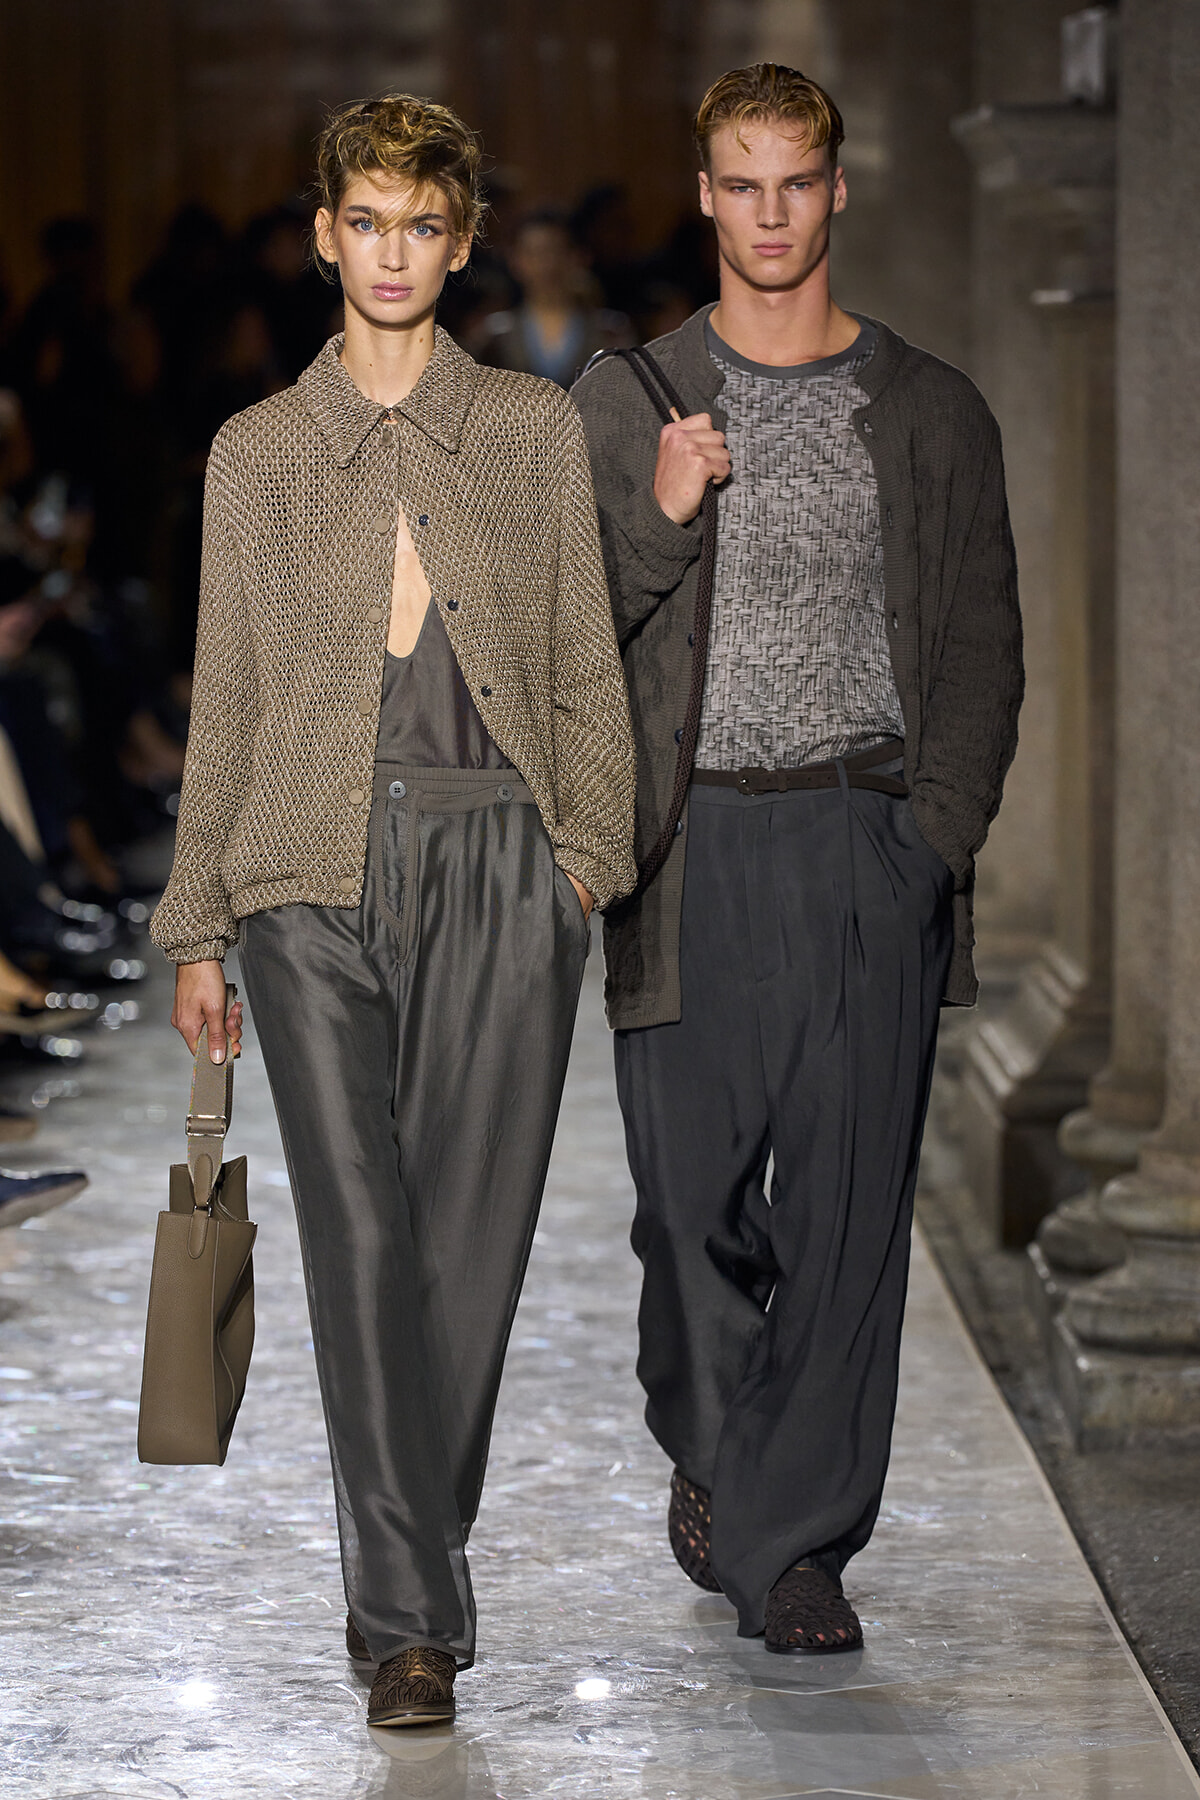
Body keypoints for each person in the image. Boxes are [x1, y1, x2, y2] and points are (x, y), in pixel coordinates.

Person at [151, 93, 636, 1728]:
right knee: (360, 1239)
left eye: (422, 225)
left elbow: (581, 664)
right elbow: (228, 696)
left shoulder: (530, 432)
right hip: (308, 871)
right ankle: (411, 1624)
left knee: (469, 1252)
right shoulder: (259, 454)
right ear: (322, 235)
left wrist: (585, 860)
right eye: (365, 221)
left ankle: (410, 1569)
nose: (391, 252)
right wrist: (200, 921)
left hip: (505, 858)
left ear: (461, 241)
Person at [572, 63, 1022, 1656]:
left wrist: (928, 843)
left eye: (798, 182)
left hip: (862, 840)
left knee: (844, 1222)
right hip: (687, 852)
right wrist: (663, 511)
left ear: (836, 190)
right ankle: (721, 1447)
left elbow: (981, 646)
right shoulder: (625, 401)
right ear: (706, 195)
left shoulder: (933, 410)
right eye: (742, 184)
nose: (771, 213)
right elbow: (569, 634)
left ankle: (796, 1550)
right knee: (686, 1216)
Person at [474, 209, 630, 387]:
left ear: (578, 257)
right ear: (515, 260)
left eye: (555, 251)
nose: (546, 264)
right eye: (534, 253)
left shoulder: (610, 332)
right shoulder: (494, 337)